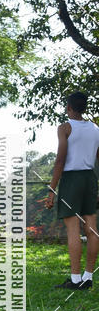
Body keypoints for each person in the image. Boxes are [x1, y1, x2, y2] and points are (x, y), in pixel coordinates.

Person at [46, 91, 99, 289]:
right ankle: (88, 277)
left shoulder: (65, 128)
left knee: (73, 230)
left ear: (69, 108)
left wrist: (52, 189)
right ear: (84, 107)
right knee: (92, 228)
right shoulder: (96, 129)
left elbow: (60, 160)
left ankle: (76, 280)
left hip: (71, 179)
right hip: (89, 178)